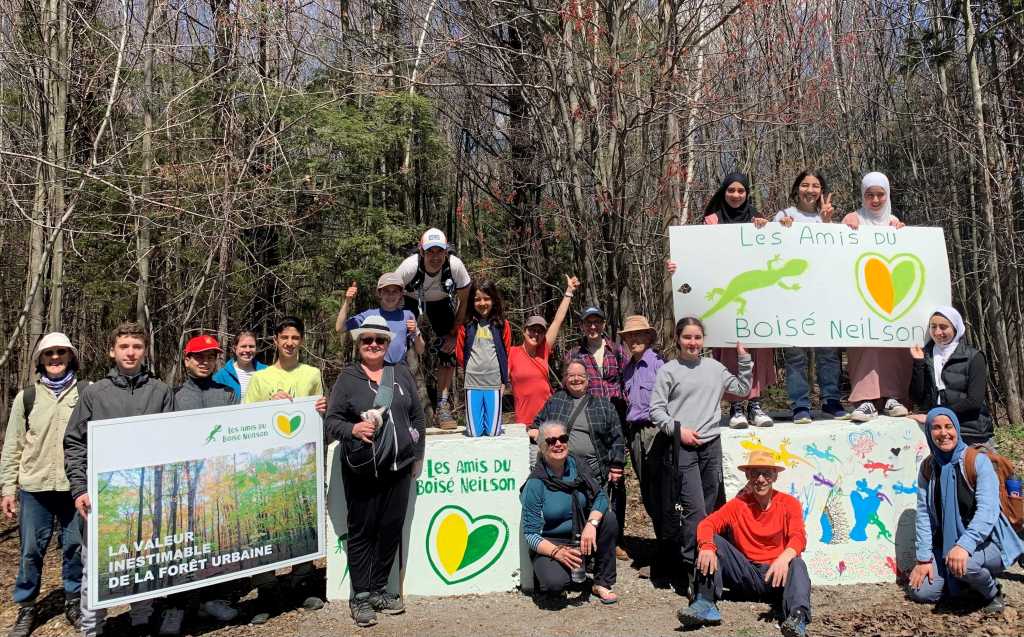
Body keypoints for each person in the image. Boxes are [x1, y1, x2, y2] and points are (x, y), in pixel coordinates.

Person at [64, 321, 175, 637]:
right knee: (96, 567)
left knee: (144, 561)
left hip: (148, 494)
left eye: (137, 347)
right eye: (124, 346)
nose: (130, 352)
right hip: (103, 497)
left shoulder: (161, 392)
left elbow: (173, 441)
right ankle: (92, 628)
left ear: (145, 351)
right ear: (112, 351)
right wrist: (80, 488)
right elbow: (74, 442)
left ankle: (141, 620)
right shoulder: (93, 393)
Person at [324, 315, 426, 627]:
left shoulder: (401, 373)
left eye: (379, 340)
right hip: (363, 470)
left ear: (387, 344)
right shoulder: (348, 378)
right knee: (362, 532)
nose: (373, 344)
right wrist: (353, 429)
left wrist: (417, 457)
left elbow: (417, 417)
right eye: (366, 339)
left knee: (390, 529)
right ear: (358, 344)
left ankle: (380, 589)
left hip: (399, 468)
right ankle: (360, 596)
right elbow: (332, 421)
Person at [649, 317, 751, 590]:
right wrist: (677, 430)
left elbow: (742, 390)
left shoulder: (715, 368)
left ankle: (710, 564)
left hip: (711, 447)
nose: (692, 343)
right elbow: (656, 410)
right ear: (678, 339)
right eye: (687, 337)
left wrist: (744, 359)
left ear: (703, 340)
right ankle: (692, 571)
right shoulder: (669, 371)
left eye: (697, 337)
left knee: (709, 509)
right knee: (694, 511)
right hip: (683, 448)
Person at [242, 316, 327, 624]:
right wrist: (269, 404)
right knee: (264, 525)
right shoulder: (260, 379)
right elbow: (246, 419)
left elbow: (320, 414)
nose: (290, 343)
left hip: (301, 464)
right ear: (275, 341)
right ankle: (266, 588)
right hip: (266, 466)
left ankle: (302, 580)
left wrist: (323, 408)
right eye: (285, 337)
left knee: (303, 520)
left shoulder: (312, 373)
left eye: (295, 337)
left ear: (301, 340)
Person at [676, 449, 811, 637]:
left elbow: (799, 537)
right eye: (755, 473)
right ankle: (705, 603)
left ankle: (797, 618)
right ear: (748, 476)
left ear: (775, 476)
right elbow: (707, 524)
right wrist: (707, 547)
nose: (761, 479)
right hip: (747, 574)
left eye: (766, 473)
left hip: (778, 577)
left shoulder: (789, 503)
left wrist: (783, 559)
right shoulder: (738, 505)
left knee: (797, 563)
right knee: (711, 541)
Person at [1, 333, 83, 637]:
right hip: (35, 487)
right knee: (31, 550)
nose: (55, 358)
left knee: (75, 547)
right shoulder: (27, 397)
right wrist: (7, 489)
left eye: (61, 352)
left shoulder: (86, 393)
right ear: (41, 359)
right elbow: (13, 445)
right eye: (49, 353)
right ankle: (26, 607)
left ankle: (74, 601)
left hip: (74, 487)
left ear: (71, 356)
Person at [906, 408, 1022, 612]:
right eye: (936, 428)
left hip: (987, 542)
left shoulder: (977, 461)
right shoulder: (928, 467)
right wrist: (924, 559)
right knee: (921, 591)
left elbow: (987, 512)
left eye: (948, 427)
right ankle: (963, 580)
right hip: (945, 544)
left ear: (957, 429)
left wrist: (964, 546)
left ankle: (992, 592)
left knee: (966, 566)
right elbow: (924, 515)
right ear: (929, 433)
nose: (943, 433)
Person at [164, 335, 240, 630]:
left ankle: (213, 599)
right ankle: (176, 605)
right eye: (198, 356)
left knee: (216, 542)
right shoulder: (173, 396)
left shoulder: (228, 393)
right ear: (187, 360)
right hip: (183, 484)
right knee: (183, 546)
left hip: (218, 481)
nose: (205, 362)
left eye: (210, 356)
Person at [699, 173, 775, 428]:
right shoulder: (711, 221)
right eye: (731, 190)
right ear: (723, 191)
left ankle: (755, 404)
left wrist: (768, 228)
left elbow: (771, 253)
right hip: (727, 296)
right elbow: (698, 255)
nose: (736, 195)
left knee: (757, 350)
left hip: (756, 300)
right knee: (731, 350)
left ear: (747, 193)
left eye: (741, 191)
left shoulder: (757, 221)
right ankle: (736, 407)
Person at [773, 170, 848, 423]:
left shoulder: (827, 218)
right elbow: (774, 252)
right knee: (795, 354)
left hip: (825, 296)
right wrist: (782, 230)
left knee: (829, 351)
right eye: (805, 185)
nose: (810, 190)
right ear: (797, 188)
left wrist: (827, 223)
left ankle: (831, 401)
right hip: (792, 297)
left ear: (821, 191)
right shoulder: (784, 216)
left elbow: (835, 255)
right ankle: (800, 405)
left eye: (816, 186)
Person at [530, 362, 626, 558]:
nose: (575, 379)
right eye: (571, 375)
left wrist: (616, 465)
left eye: (580, 375)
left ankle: (605, 546)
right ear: (565, 379)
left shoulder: (602, 404)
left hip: (595, 468)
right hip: (563, 469)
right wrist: (536, 433)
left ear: (588, 379)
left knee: (599, 509)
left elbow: (617, 436)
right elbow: (537, 424)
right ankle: (574, 549)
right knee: (570, 509)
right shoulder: (556, 401)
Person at [520, 421, 619, 605]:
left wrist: (591, 524)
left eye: (563, 438)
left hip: (581, 535)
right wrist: (557, 552)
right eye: (551, 441)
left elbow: (601, 496)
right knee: (555, 584)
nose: (558, 444)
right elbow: (531, 534)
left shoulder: (577, 465)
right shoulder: (535, 483)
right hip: (552, 543)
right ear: (542, 447)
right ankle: (565, 571)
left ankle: (601, 582)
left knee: (609, 519)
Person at [841, 172, 911, 422]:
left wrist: (904, 234)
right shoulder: (853, 219)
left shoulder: (894, 222)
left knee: (892, 346)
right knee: (865, 347)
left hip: (891, 298)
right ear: (863, 196)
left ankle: (892, 396)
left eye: (880, 194)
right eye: (869, 195)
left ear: (887, 195)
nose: (875, 200)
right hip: (860, 297)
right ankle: (866, 400)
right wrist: (844, 228)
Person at [396, 228, 472, 429]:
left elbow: (464, 302)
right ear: (421, 251)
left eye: (440, 251)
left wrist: (454, 333)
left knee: (448, 351)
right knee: (399, 346)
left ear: (446, 252)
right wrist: (396, 325)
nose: (435, 257)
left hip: (441, 301)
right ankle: (402, 403)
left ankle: (442, 405)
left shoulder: (455, 266)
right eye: (430, 252)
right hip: (410, 299)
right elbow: (389, 293)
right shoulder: (409, 267)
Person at [909, 306, 993, 446]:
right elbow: (917, 397)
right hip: (939, 432)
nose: (937, 332)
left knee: (975, 461)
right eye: (933, 327)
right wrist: (918, 362)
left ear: (955, 328)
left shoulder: (973, 357)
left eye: (943, 327)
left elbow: (974, 401)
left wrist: (936, 415)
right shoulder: (926, 355)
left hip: (969, 431)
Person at [619, 315, 666, 556]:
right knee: (647, 491)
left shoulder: (660, 365)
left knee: (663, 490)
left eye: (638, 334)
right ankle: (661, 545)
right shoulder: (627, 370)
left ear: (648, 337)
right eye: (629, 336)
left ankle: (670, 549)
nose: (634, 340)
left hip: (656, 431)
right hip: (635, 434)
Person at [507, 275, 579, 425]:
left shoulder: (543, 350)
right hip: (525, 421)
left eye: (540, 331)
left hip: (549, 418)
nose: (535, 334)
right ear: (524, 331)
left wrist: (568, 292)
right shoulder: (512, 353)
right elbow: (500, 382)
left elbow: (557, 321)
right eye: (532, 330)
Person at [455, 279, 512, 437]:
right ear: (471, 302)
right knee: (475, 432)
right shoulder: (466, 325)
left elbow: (506, 352)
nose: (482, 303)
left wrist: (504, 381)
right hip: (472, 382)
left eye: (486, 298)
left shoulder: (502, 325)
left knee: (493, 432)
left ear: (494, 300)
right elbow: (460, 353)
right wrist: (470, 369)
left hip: (494, 383)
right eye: (477, 299)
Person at [335, 272, 425, 365]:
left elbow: (420, 350)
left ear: (401, 294)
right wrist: (347, 301)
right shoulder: (369, 315)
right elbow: (340, 328)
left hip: (399, 368)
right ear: (379, 293)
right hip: (373, 368)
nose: (390, 295)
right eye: (386, 291)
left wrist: (415, 332)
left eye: (395, 291)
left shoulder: (407, 315)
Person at [212, 331, 267, 400]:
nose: (248, 350)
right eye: (243, 346)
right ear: (234, 349)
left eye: (251, 346)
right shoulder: (221, 376)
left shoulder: (266, 372)